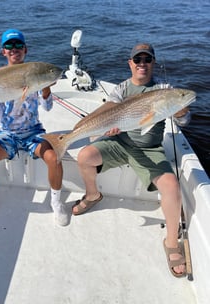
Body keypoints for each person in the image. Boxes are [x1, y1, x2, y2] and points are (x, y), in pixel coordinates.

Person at [72, 43, 190, 277]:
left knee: (172, 186)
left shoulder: (164, 89)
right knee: (85, 156)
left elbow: (184, 121)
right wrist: (98, 130)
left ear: (153, 63)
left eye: (147, 60)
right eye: (138, 60)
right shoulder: (121, 89)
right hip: (120, 143)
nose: (142, 64)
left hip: (150, 149)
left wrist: (180, 110)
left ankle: (171, 242)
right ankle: (93, 195)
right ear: (130, 64)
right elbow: (108, 112)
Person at [0, 29, 69, 227]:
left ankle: (56, 202)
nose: (14, 49)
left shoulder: (35, 73)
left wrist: (47, 85)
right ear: (3, 52)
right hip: (7, 134)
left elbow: (47, 107)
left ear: (25, 49)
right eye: (9, 46)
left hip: (33, 132)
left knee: (54, 157)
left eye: (18, 45)